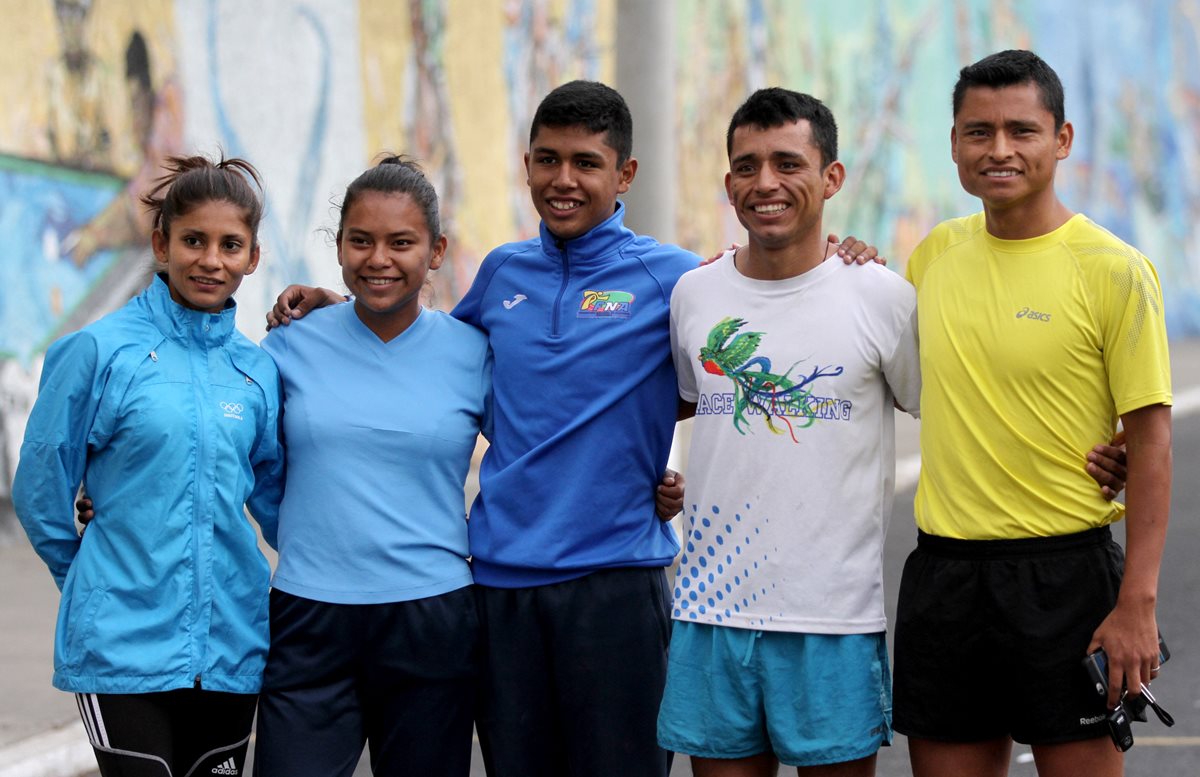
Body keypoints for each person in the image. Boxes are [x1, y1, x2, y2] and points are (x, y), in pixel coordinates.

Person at [892, 50, 1172, 777]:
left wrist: (1137, 602)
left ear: (1064, 139)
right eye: (978, 132)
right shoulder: (931, 257)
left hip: (1067, 581)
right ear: (954, 143)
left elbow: (1151, 444)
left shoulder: (1114, 269)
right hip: (945, 576)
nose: (1000, 150)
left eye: (1022, 130)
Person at [658, 88, 919, 777]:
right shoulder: (695, 293)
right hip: (711, 612)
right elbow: (682, 406)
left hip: (830, 620)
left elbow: (952, 413)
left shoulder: (882, 298)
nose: (765, 183)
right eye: (746, 166)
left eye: (787, 163)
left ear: (832, 177)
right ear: (728, 183)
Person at [12, 155, 283, 777]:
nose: (210, 259)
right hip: (119, 638)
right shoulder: (99, 351)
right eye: (193, 240)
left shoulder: (258, 370)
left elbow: (277, 500)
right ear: (161, 244)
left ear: (253, 257)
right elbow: (39, 481)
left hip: (231, 640)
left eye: (229, 244)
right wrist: (82, 573)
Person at [252, 157, 491, 777]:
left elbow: (540, 452)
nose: (378, 258)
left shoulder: (472, 352)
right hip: (309, 614)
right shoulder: (288, 344)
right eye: (361, 241)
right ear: (338, 249)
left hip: (432, 618)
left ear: (435, 251)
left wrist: (644, 483)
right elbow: (247, 456)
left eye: (401, 242)